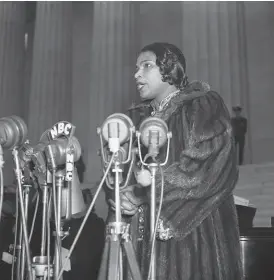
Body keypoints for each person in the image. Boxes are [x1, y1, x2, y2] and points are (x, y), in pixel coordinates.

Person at [107, 42, 243, 279]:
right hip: (144, 238)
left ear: (170, 68)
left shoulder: (202, 104)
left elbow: (209, 163)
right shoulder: (137, 119)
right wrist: (124, 196)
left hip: (194, 233)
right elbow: (124, 174)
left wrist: (145, 192)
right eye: (136, 68)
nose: (136, 74)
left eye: (146, 65)